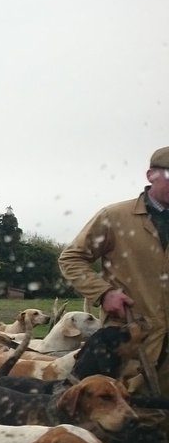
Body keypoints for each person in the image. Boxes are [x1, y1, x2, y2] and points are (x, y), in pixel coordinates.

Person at [59, 145, 169, 395]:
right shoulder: (115, 217)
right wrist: (104, 293)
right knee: (124, 413)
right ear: (150, 175)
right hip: (129, 342)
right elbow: (72, 258)